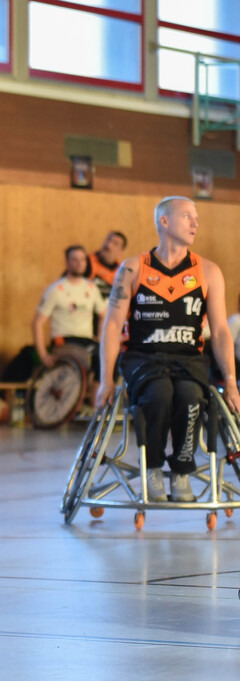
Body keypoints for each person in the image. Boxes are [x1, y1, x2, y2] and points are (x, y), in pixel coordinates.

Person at [96, 197, 240, 503]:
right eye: (187, 216)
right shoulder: (133, 268)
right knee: (158, 394)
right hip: (143, 358)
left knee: (190, 397)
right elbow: (111, 326)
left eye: (196, 217)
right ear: (164, 222)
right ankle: (153, 467)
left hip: (189, 358)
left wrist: (230, 380)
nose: (195, 223)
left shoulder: (208, 271)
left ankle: (182, 471)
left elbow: (221, 331)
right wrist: (105, 380)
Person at [32, 245, 107, 372]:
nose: (79, 263)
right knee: (87, 358)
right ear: (67, 263)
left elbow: (103, 315)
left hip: (86, 340)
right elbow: (37, 323)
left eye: (82, 260)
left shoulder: (91, 288)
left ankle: (98, 392)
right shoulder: (55, 290)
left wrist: (100, 338)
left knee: (108, 358)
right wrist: (44, 355)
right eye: (74, 259)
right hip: (64, 340)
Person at [88, 230, 127, 300]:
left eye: (115, 243)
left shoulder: (122, 272)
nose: (108, 245)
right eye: (108, 240)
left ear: (121, 251)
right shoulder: (86, 262)